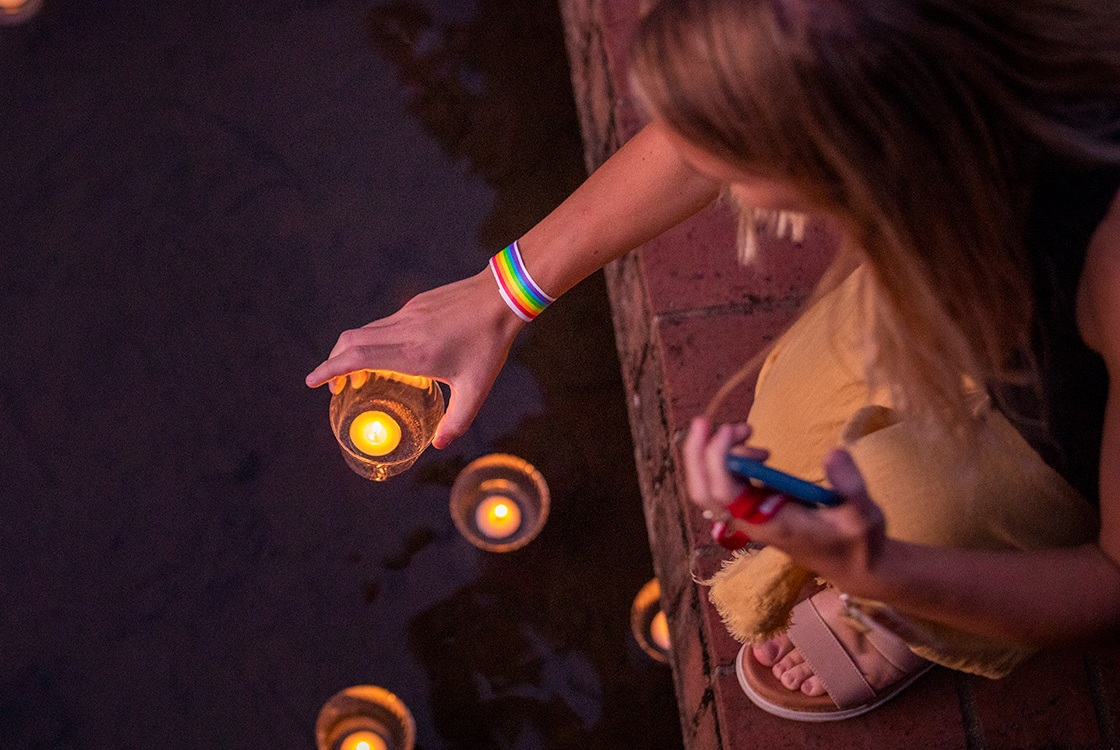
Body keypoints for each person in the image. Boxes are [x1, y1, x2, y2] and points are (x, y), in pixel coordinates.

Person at [307, 0, 1120, 721]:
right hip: (971, 298)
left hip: (1075, 430)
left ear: (856, 155)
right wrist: (499, 295)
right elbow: (715, 120)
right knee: (793, 416)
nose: (714, 177)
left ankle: (927, 599)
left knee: (908, 509)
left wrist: (878, 569)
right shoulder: (891, 54)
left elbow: (1110, 585)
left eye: (744, 178)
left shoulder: (1108, 259)